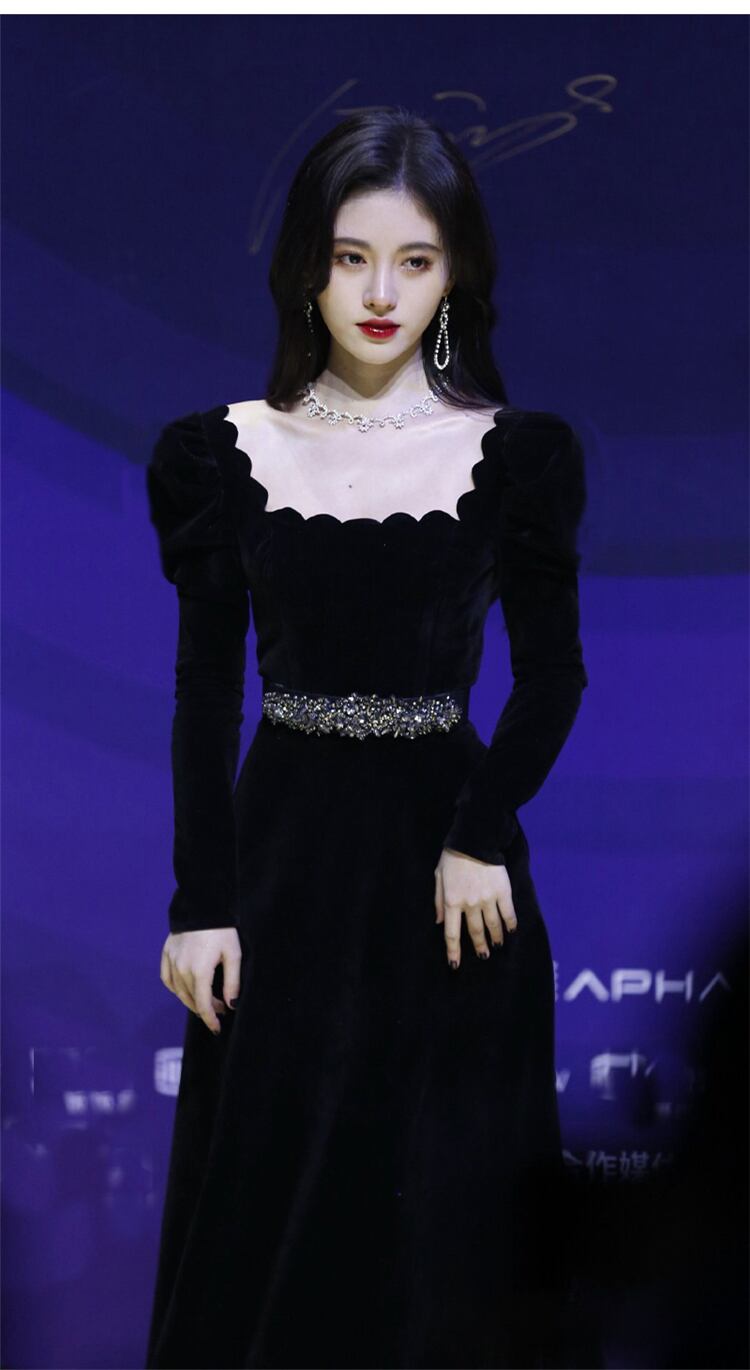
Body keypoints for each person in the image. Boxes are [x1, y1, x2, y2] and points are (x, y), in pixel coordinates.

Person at [144, 108, 590, 1370]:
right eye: (352, 258)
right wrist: (201, 902)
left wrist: (480, 832)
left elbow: (553, 677)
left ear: (455, 274)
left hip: (454, 883)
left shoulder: (517, 454)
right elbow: (203, 692)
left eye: (415, 260)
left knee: (452, 1230)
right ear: (308, 266)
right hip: (282, 867)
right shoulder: (220, 451)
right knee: (271, 1218)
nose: (381, 293)